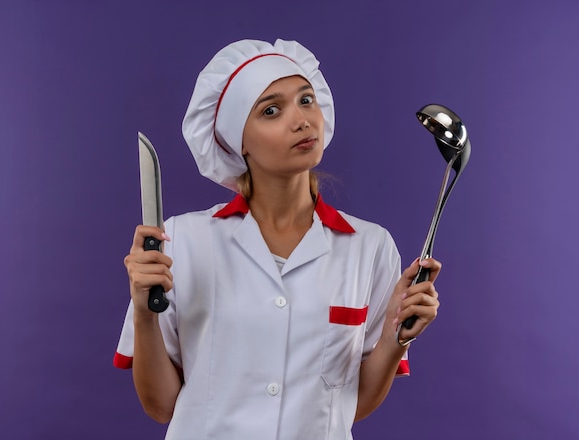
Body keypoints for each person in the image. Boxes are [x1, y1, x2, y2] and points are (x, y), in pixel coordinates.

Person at [114, 39, 441, 439]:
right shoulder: (180, 241)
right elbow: (160, 405)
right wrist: (145, 313)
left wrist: (397, 337)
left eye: (307, 100)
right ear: (239, 142)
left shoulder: (370, 248)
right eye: (271, 110)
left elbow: (351, 406)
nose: (302, 120)